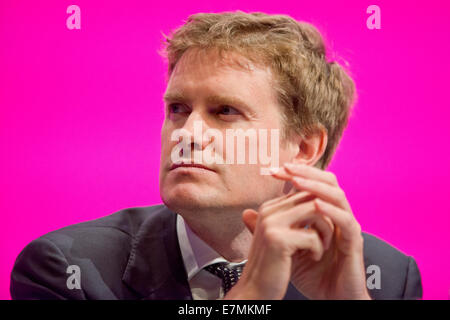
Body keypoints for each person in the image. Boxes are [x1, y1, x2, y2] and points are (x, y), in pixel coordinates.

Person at [10, 11, 422, 300]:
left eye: (225, 111)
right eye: (178, 109)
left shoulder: (384, 279)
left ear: (304, 147)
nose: (187, 135)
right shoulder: (68, 271)